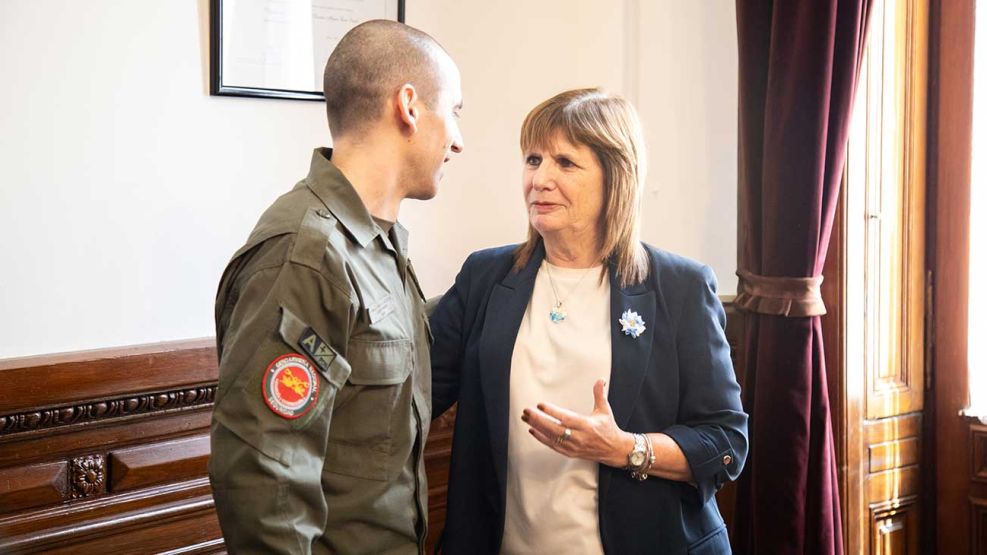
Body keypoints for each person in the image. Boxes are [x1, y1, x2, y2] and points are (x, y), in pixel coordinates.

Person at [430, 88, 747, 554]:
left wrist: (625, 448)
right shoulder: (485, 276)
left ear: (615, 177)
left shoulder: (679, 286)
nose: (540, 179)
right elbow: (417, 397)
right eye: (533, 160)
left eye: (565, 163)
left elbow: (725, 442)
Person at [208, 20, 464, 554]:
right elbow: (265, 485)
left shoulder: (374, 247)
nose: (458, 141)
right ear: (410, 106)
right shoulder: (307, 254)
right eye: (454, 112)